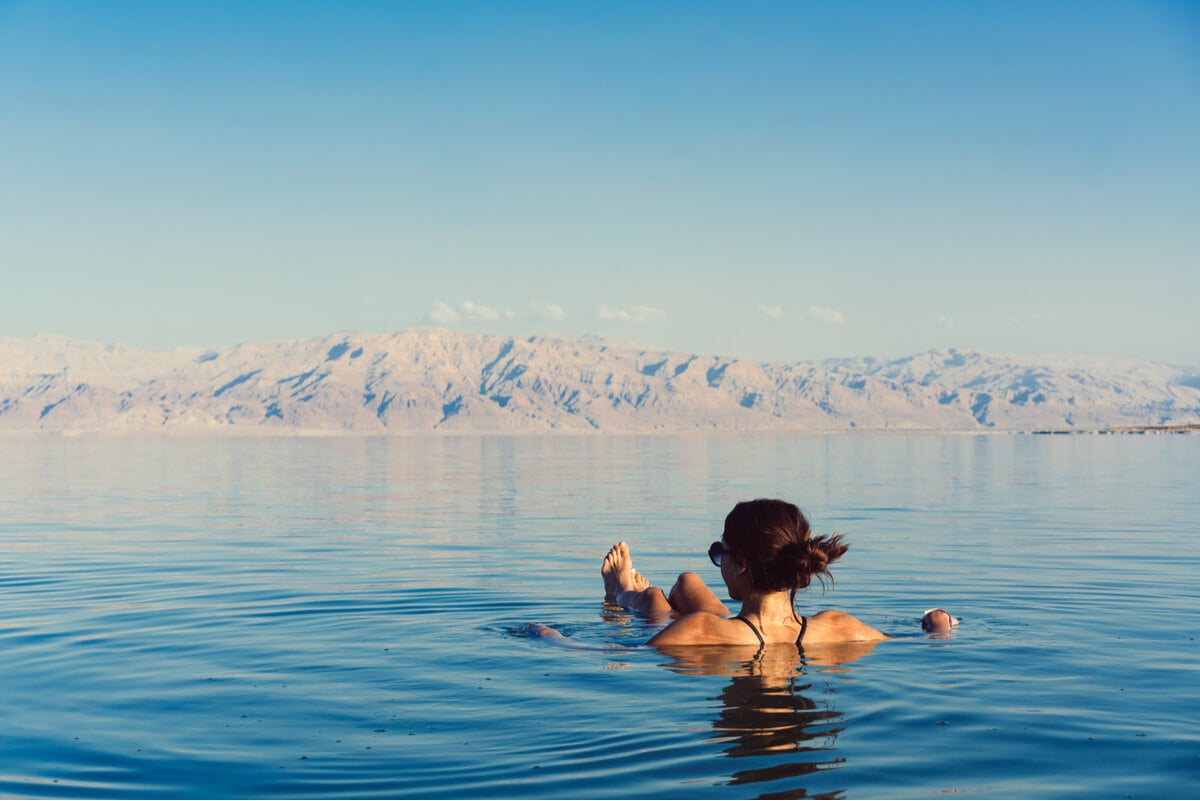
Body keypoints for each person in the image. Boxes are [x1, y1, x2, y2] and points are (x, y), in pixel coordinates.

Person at [541, 498, 955, 648]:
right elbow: (921, 640)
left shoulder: (697, 631)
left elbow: (598, 652)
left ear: (740, 564)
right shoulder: (840, 627)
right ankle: (633, 593)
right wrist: (939, 625)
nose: (717, 560)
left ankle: (623, 592)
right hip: (768, 629)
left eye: (719, 552)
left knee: (655, 602)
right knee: (687, 580)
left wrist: (546, 633)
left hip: (732, 631)